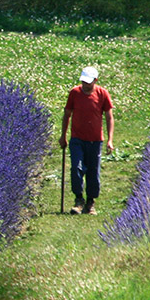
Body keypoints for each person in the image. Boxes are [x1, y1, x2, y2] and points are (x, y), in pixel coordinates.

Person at [59, 66, 114, 215]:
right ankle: (78, 200)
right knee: (76, 168)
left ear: (95, 81)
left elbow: (109, 117)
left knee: (93, 172)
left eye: (88, 82)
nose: (85, 85)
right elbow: (67, 114)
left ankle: (90, 202)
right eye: (83, 81)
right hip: (77, 139)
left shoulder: (102, 94)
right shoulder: (74, 93)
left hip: (95, 140)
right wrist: (63, 135)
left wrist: (110, 140)